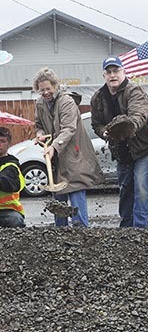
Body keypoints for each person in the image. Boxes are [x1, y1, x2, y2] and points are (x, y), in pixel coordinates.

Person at [91, 56, 148, 228]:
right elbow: (96, 124)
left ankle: (141, 229)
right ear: (104, 75)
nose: (113, 75)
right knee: (125, 190)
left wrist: (129, 127)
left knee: (142, 188)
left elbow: (139, 115)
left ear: (123, 72)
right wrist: (104, 132)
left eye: (116, 71)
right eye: (109, 72)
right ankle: (126, 229)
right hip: (121, 151)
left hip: (143, 148)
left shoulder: (134, 91)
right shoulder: (98, 98)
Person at [33, 67, 103, 227]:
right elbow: (38, 125)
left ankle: (81, 232)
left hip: (74, 155)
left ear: (55, 86)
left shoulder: (66, 102)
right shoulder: (40, 103)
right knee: (58, 196)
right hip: (56, 157)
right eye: (41, 90)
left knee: (75, 190)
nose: (45, 93)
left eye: (48, 89)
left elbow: (69, 128)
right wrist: (40, 134)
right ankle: (60, 232)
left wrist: (54, 146)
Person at [0, 127, 25, 227]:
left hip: (7, 211)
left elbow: (8, 184)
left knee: (14, 221)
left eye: (2, 141)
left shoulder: (11, 165)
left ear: (9, 143)